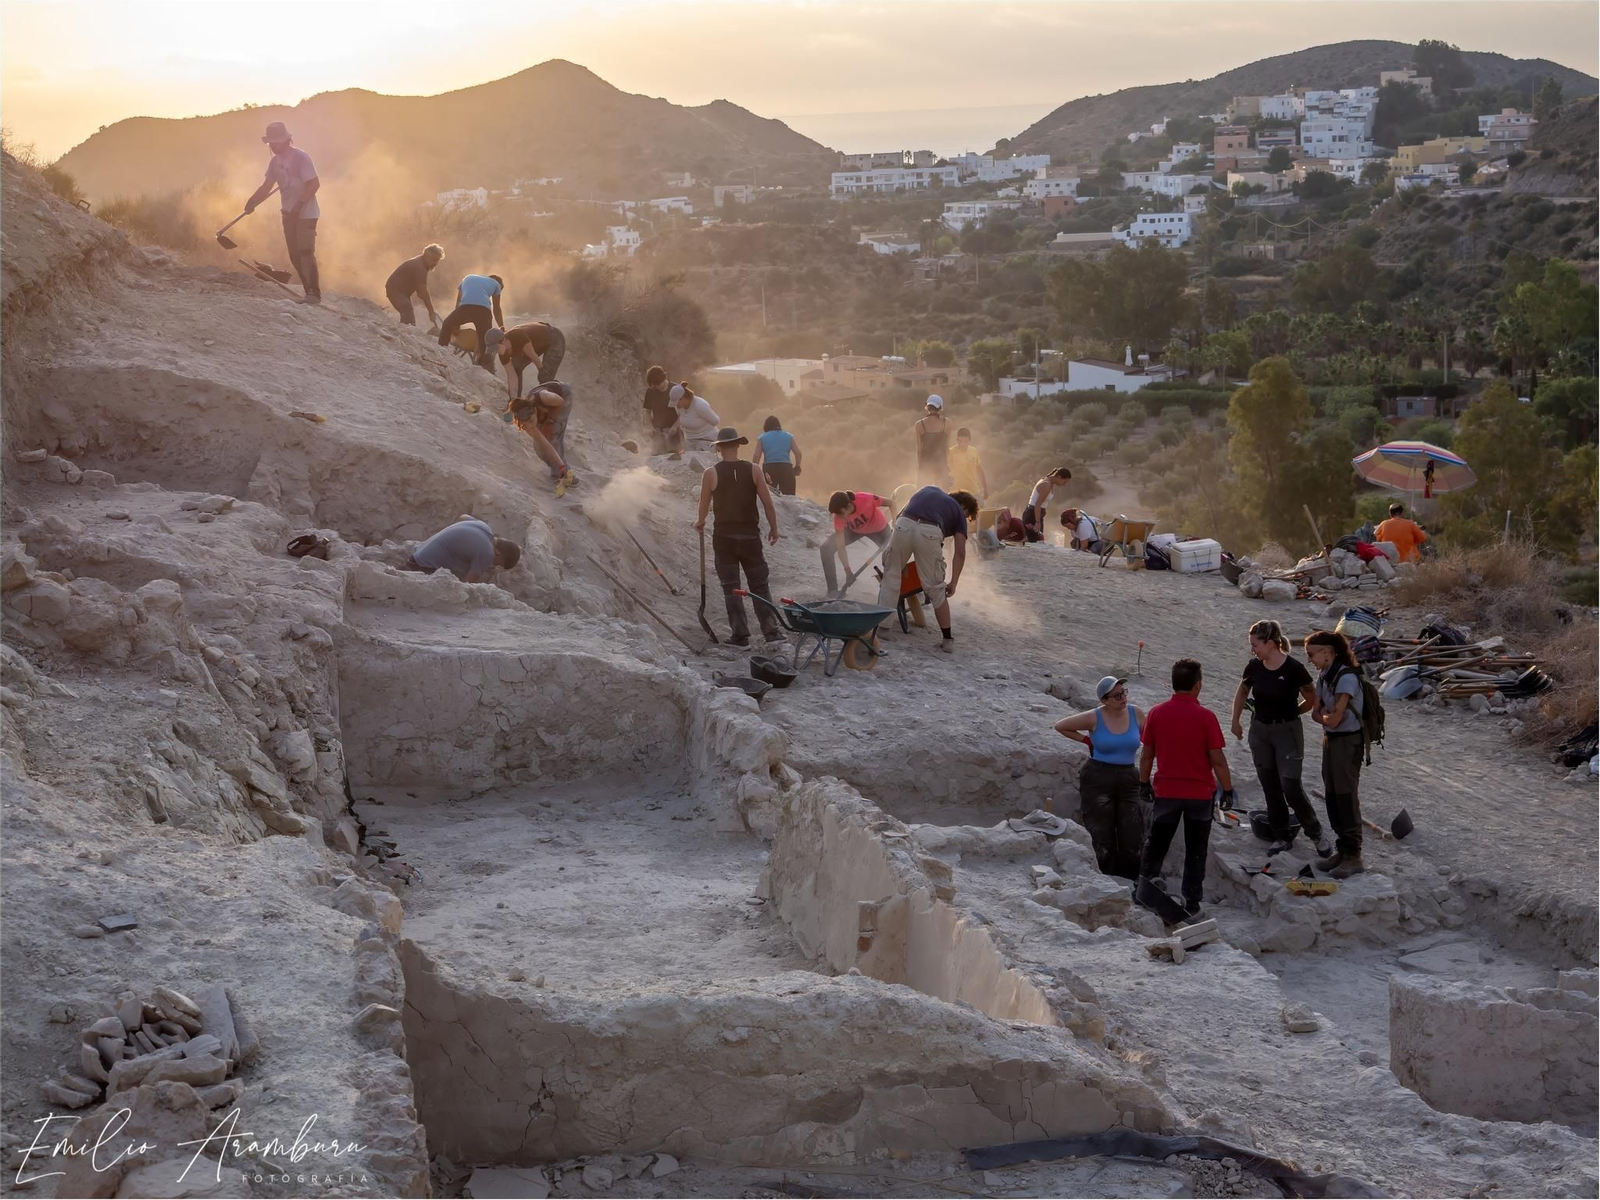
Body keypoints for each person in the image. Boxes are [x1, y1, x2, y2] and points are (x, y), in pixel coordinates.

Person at [1136, 658, 1237, 919]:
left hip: (1166, 792)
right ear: (1198, 686)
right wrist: (1227, 790)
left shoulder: (1157, 712)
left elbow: (1147, 755)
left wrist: (1144, 782)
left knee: (1157, 843)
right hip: (1199, 796)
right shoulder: (1206, 717)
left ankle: (1144, 888)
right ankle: (1192, 902)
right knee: (1196, 850)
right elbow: (1217, 760)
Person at [1229, 620, 1332, 857]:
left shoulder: (1293, 669)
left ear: (1270, 643)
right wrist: (1235, 720)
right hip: (1260, 731)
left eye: (1255, 644)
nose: (1252, 649)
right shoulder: (1254, 667)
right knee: (1270, 785)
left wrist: (1295, 712)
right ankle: (1282, 835)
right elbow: (1242, 691)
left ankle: (1315, 833)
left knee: (1291, 785)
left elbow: (1312, 697)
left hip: (1287, 732)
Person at [695, 427, 782, 647]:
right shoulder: (754, 470)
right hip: (750, 537)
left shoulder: (710, 473)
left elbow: (704, 504)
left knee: (731, 586)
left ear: (720, 448)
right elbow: (767, 503)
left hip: (724, 538)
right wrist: (774, 528)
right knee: (759, 585)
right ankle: (771, 632)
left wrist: (700, 521)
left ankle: (740, 635)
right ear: (737, 446)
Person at [1055, 676, 1147, 880]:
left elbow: (1149, 737)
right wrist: (1086, 739)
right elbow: (1061, 726)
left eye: (1124, 692)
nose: (1123, 698)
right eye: (1117, 696)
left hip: (1128, 776)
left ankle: (1131, 879)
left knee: (1132, 831)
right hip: (1098, 777)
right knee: (1101, 833)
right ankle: (1105, 878)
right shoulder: (1095, 717)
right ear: (1104, 700)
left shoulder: (1135, 712)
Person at [875, 485, 979, 653]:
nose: (964, 518)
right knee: (936, 588)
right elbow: (960, 552)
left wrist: (897, 559)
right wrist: (953, 582)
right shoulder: (958, 512)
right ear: (964, 507)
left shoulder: (926, 490)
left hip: (903, 525)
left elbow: (899, 518)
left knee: (891, 577)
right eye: (967, 515)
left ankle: (883, 629)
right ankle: (947, 641)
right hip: (929, 531)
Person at [1305, 631, 1366, 878]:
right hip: (1332, 739)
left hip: (1348, 742)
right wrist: (1325, 717)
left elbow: (1333, 718)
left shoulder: (1346, 678)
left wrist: (1324, 717)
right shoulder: (1325, 675)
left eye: (1312, 654)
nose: (1310, 660)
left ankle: (1354, 855)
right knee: (1332, 792)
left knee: (1345, 795)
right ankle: (1343, 850)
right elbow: (1318, 713)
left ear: (1327, 653)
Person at [243, 121, 321, 305]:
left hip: (306, 213)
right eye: (270, 142)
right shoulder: (275, 162)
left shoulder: (301, 157)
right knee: (294, 254)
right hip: (288, 213)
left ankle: (314, 294)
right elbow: (266, 186)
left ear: (286, 140)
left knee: (305, 252)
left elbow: (314, 184)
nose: (272, 145)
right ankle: (307, 290)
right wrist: (253, 201)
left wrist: (298, 205)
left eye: (275, 141)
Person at [507, 382, 579, 497]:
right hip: (547, 408)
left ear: (534, 411)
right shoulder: (527, 424)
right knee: (538, 446)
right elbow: (546, 445)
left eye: (531, 421)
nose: (530, 426)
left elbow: (560, 401)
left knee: (552, 435)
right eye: (526, 424)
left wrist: (551, 420)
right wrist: (560, 464)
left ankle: (566, 477)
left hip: (563, 396)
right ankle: (560, 469)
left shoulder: (544, 397)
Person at [404, 519, 520, 583]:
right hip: (420, 568)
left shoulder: (482, 526)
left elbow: (463, 517)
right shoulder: (487, 553)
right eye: (497, 563)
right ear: (498, 554)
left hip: (416, 554)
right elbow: (466, 586)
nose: (493, 564)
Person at [824, 490, 893, 596]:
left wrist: (896, 523)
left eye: (840, 514)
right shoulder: (839, 516)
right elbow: (840, 545)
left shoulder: (866, 499)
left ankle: (901, 586)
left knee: (893, 555)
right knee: (826, 548)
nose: (838, 517)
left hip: (879, 529)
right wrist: (848, 571)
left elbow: (891, 503)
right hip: (854, 531)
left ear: (848, 506)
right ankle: (832, 591)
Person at [436, 274, 505, 367]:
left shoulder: (468, 277)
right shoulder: (497, 284)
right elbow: (497, 308)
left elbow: (458, 302)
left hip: (465, 307)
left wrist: (455, 324)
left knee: (447, 324)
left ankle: (440, 353)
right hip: (483, 311)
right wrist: (501, 326)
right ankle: (486, 367)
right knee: (485, 339)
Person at [487, 319, 566, 400]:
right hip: (537, 345)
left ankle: (556, 401)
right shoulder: (503, 353)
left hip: (554, 338)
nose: (495, 352)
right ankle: (518, 401)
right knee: (516, 367)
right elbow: (511, 375)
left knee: (545, 378)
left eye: (496, 348)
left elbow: (534, 357)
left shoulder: (517, 335)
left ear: (503, 341)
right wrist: (513, 400)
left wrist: (542, 371)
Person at [384, 245, 444, 328]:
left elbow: (420, 293)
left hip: (403, 292)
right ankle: (404, 332)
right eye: (434, 260)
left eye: (437, 260)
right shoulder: (420, 267)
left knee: (409, 315)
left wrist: (430, 310)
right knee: (407, 311)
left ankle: (407, 331)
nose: (435, 263)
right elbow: (422, 292)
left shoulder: (422, 263)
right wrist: (431, 311)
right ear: (427, 256)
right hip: (395, 291)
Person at [753, 416, 802, 496]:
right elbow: (798, 453)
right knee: (789, 496)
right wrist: (797, 466)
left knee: (770, 495)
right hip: (786, 468)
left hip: (769, 469)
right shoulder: (789, 436)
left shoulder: (762, 437)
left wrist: (755, 471)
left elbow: (756, 456)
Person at [1021, 467, 1072, 543]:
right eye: (1064, 482)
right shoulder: (1046, 485)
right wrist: (1037, 522)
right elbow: (1037, 504)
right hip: (1032, 515)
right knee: (1034, 541)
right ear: (1059, 477)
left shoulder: (1050, 482)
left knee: (1036, 541)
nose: (1064, 484)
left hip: (1036, 514)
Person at [642, 365, 683, 455]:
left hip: (673, 432)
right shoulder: (650, 391)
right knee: (656, 457)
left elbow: (683, 413)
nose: (656, 387)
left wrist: (675, 426)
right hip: (657, 432)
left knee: (674, 457)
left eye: (657, 384)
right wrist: (650, 426)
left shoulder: (675, 390)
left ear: (663, 379)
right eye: (654, 385)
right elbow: (647, 412)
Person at [912, 396, 951, 487]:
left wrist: (920, 467)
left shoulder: (919, 425)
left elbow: (919, 450)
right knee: (942, 494)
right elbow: (946, 448)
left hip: (926, 464)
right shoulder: (947, 423)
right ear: (940, 408)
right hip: (941, 464)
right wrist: (947, 465)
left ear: (927, 407)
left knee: (925, 494)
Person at [672, 383, 720, 451]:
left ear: (683, 398)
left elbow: (716, 421)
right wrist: (674, 426)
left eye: (676, 402)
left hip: (705, 440)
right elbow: (682, 417)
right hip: (690, 440)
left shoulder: (700, 405)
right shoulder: (680, 407)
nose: (676, 405)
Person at [946, 427, 988, 501]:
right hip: (956, 493)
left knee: (981, 510)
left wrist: (985, 488)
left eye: (966, 441)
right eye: (960, 441)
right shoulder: (951, 452)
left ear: (970, 440)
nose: (963, 444)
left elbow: (979, 470)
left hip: (973, 491)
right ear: (957, 440)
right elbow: (944, 471)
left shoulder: (974, 451)